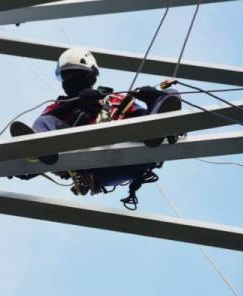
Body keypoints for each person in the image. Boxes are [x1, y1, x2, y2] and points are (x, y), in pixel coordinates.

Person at [31, 47, 182, 209]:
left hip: (133, 156)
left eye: (74, 74)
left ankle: (160, 128)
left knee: (169, 94)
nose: (69, 80)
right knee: (44, 122)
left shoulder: (114, 100)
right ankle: (34, 153)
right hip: (93, 168)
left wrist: (153, 99)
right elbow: (45, 122)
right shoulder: (58, 108)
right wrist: (75, 104)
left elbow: (140, 118)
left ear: (89, 76)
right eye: (65, 75)